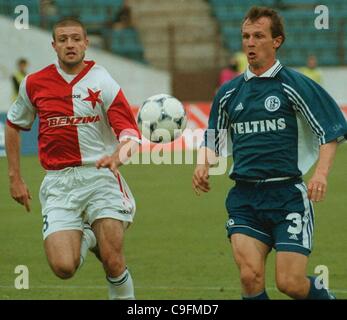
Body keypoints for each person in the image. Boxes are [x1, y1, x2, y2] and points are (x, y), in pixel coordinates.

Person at [193, 6, 347, 300]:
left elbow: (331, 129)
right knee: (250, 277)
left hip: (287, 196)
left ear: (277, 41)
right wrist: (202, 165)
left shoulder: (294, 85)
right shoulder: (228, 93)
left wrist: (322, 174)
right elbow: (214, 138)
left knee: (290, 283)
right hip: (245, 198)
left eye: (259, 36)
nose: (250, 42)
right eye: (246, 36)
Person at [5, 17, 141, 300]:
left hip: (100, 176)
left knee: (113, 260)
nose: (70, 44)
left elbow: (130, 133)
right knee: (63, 267)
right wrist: (15, 178)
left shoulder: (102, 80)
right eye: (64, 39)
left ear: (86, 43)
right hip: (59, 183)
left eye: (76, 39)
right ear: (54, 45)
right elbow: (14, 124)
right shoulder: (34, 83)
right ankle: (90, 235)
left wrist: (119, 156)